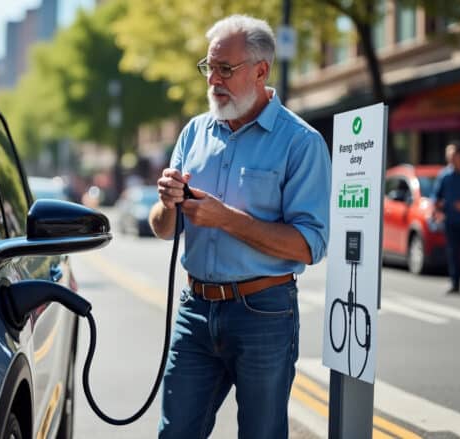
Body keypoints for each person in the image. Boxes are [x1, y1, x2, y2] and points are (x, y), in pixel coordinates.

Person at [148, 15, 330, 439]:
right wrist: (167, 202)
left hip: (263, 312)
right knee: (174, 433)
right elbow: (163, 229)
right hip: (195, 310)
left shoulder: (300, 142)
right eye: (208, 67)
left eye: (225, 69)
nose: (213, 79)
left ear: (261, 70)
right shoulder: (194, 132)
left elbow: (310, 245)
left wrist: (225, 218)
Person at [433, 142, 460, 293]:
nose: (450, 158)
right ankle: (455, 282)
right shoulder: (444, 175)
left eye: (453, 155)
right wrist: (437, 209)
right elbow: (436, 196)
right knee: (452, 252)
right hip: (450, 220)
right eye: (448, 155)